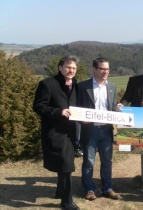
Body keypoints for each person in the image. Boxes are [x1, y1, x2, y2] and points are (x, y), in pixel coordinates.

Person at [33, 55, 80, 210]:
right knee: (66, 165)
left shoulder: (76, 85)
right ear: (60, 68)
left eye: (73, 68)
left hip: (71, 133)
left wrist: (84, 118)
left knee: (65, 163)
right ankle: (67, 202)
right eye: (68, 67)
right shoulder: (47, 84)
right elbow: (38, 106)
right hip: (55, 133)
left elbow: (78, 108)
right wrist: (58, 112)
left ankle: (60, 191)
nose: (71, 70)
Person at [77, 57, 120, 201]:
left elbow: (113, 108)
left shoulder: (112, 87)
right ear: (94, 69)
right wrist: (81, 118)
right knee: (89, 161)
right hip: (90, 129)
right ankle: (89, 189)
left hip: (106, 130)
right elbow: (77, 108)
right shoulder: (83, 86)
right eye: (102, 69)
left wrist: (121, 114)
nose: (105, 72)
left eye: (107, 69)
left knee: (107, 161)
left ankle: (107, 188)